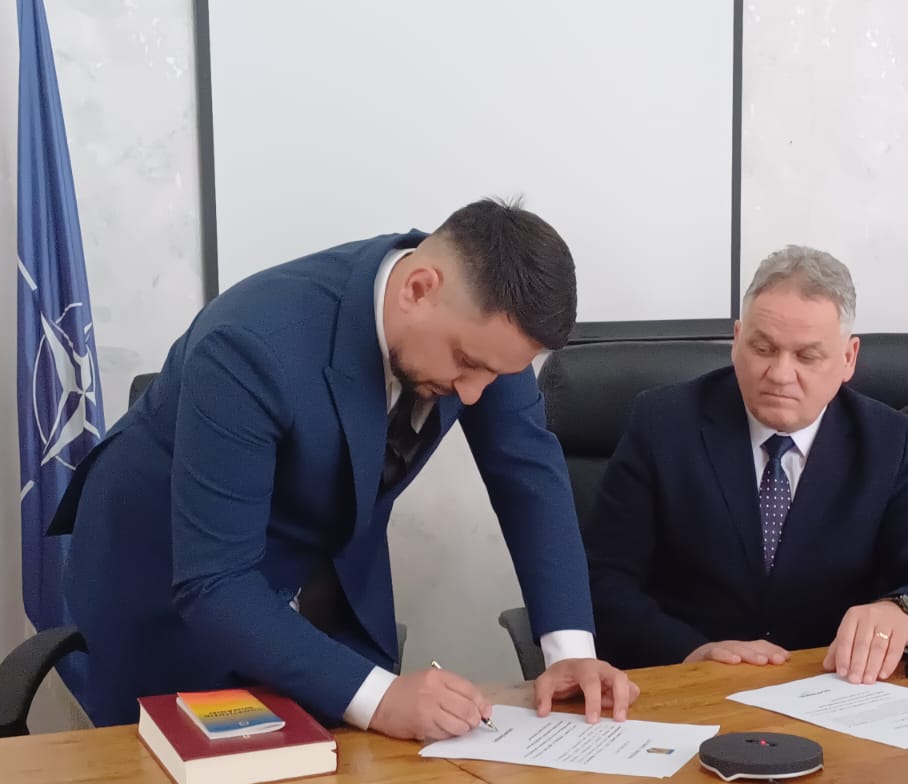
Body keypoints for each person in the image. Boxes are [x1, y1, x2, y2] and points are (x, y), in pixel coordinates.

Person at [52, 199, 637, 740]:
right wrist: (381, 699)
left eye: (497, 375)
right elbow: (215, 584)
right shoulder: (250, 345)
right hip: (169, 576)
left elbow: (528, 472)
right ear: (418, 289)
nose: (474, 395)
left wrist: (570, 653)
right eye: (465, 364)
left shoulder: (481, 328)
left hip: (319, 570)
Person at [586, 245, 908, 684]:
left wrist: (901, 613)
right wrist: (689, 651)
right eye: (763, 348)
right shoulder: (663, 424)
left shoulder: (887, 440)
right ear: (737, 340)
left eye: (807, 356)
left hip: (828, 685)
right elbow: (604, 579)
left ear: (848, 359)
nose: (779, 374)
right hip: (695, 685)